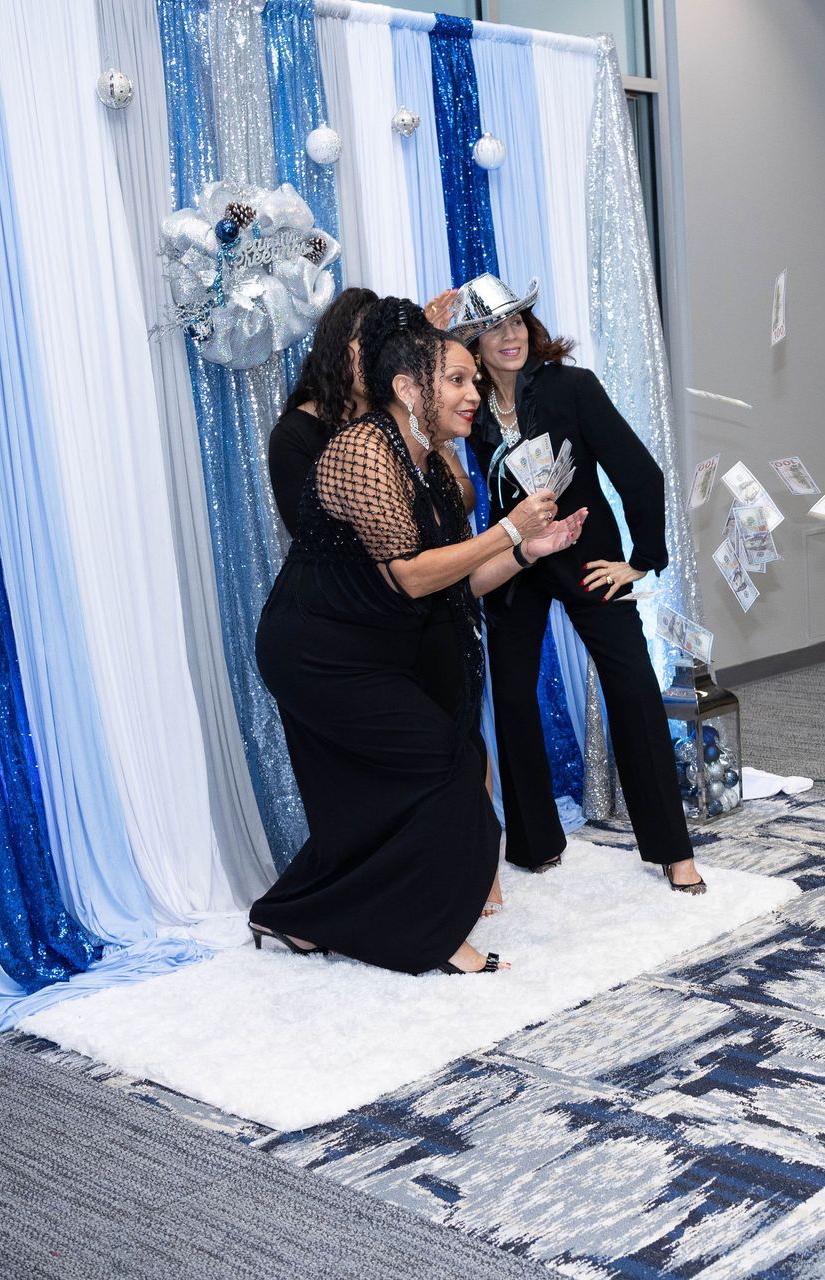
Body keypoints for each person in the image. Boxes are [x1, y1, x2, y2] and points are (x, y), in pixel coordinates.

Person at [249, 297, 585, 973]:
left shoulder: (430, 466)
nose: (474, 393)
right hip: (314, 650)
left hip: (368, 646)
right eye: (457, 380)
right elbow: (409, 575)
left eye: (474, 381)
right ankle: (431, 934)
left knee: (374, 799)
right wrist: (508, 529)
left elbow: (456, 580)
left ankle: (294, 916)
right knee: (444, 765)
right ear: (408, 389)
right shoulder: (361, 450)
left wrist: (526, 551)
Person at [450, 273, 707, 894]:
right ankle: (535, 843)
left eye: (516, 321)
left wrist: (641, 561)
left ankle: (674, 852)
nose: (509, 336)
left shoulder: (572, 386)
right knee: (512, 695)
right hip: (516, 561)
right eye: (493, 328)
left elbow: (641, 473)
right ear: (474, 343)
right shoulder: (469, 406)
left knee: (633, 688)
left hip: (589, 559)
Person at [269, 287, 458, 538]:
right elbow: (310, 535)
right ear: (336, 350)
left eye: (385, 345)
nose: (377, 355)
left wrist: (424, 361)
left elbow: (459, 495)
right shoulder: (293, 435)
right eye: (367, 342)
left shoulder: (402, 415)